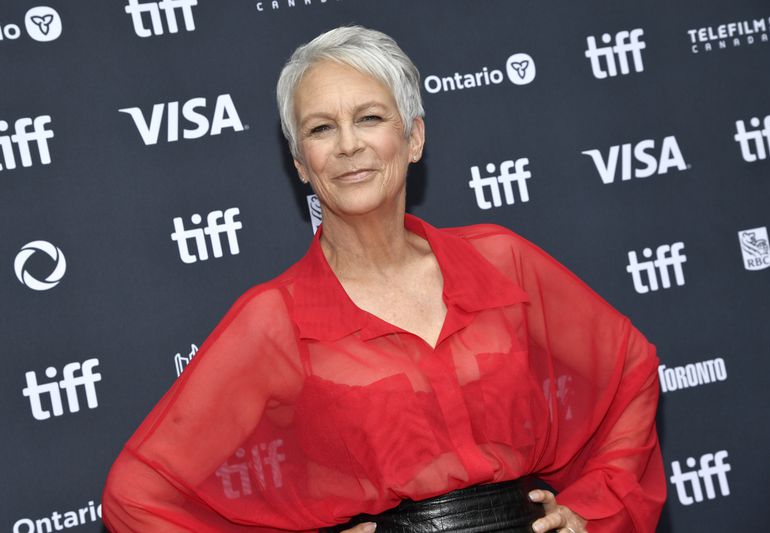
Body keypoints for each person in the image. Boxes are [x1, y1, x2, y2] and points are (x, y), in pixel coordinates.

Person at [102, 25, 665, 533]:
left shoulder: (502, 261)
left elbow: (628, 371)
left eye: (370, 118)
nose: (349, 145)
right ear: (301, 163)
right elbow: (140, 496)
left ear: (414, 137)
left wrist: (593, 511)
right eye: (322, 128)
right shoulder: (274, 318)